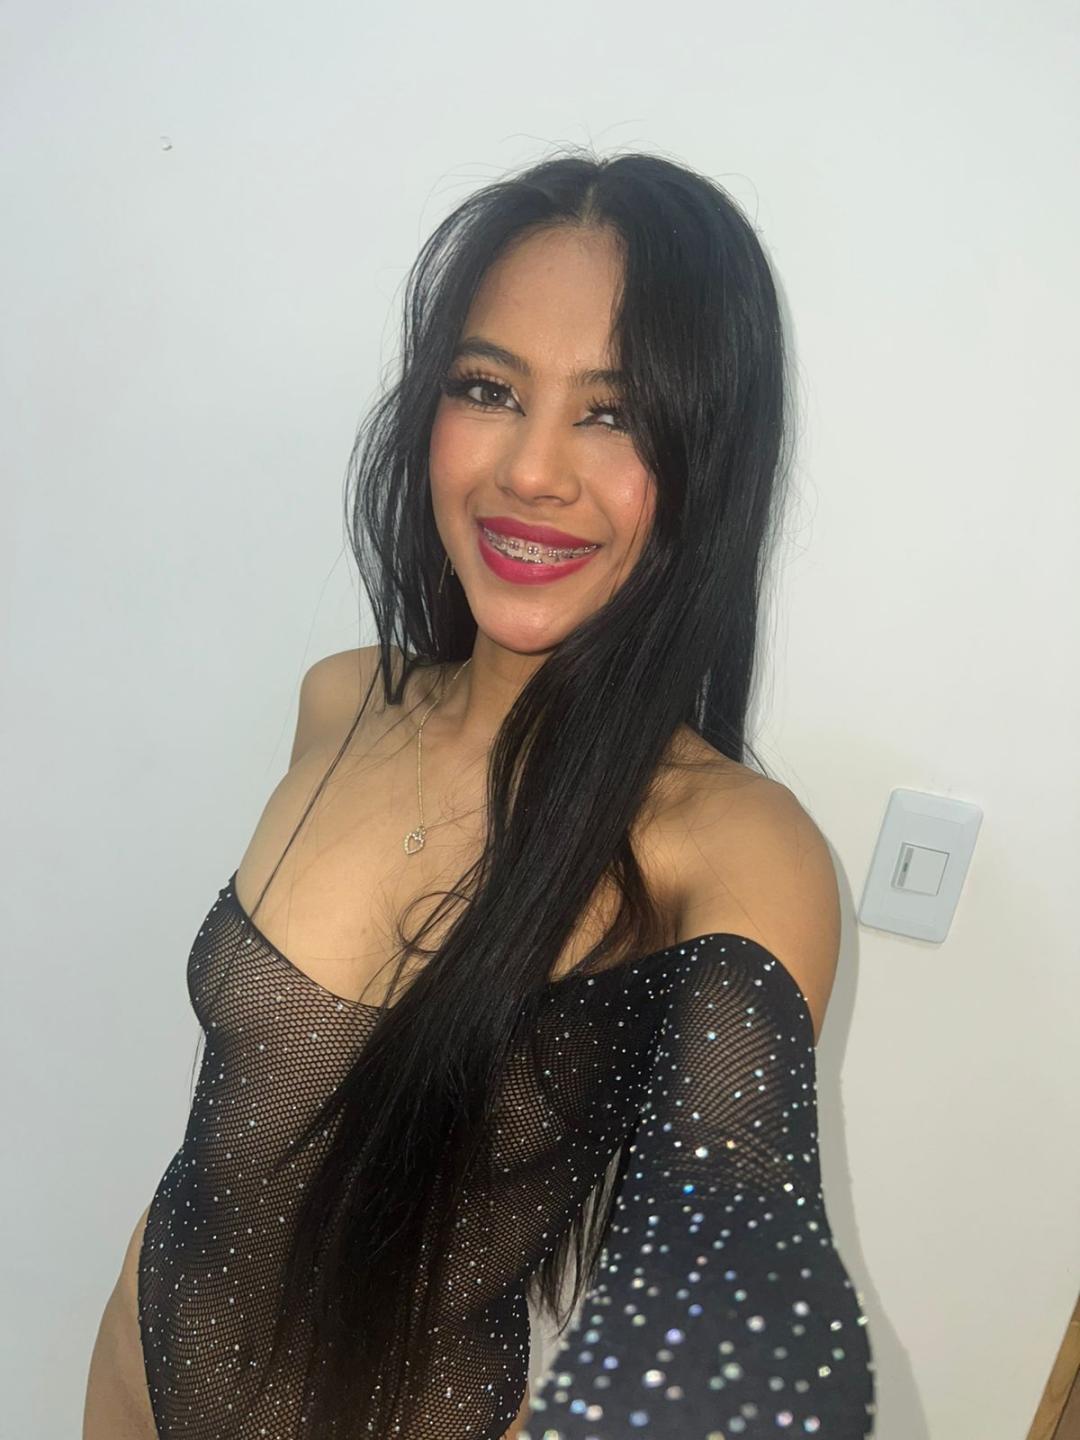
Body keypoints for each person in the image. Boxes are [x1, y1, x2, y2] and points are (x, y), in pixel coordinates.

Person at [83, 147, 876, 1439]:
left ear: (710, 466)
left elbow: (741, 1280)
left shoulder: (732, 844)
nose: (533, 470)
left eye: (615, 415)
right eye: (489, 389)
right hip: (134, 1364)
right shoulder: (342, 699)